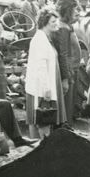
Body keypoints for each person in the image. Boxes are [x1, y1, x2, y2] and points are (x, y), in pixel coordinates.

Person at [24, 9, 68, 137]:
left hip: (46, 85)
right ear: (45, 22)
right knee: (42, 120)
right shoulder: (40, 40)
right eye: (53, 21)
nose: (57, 24)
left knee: (44, 120)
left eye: (57, 21)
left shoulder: (46, 38)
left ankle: (41, 147)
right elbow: (41, 67)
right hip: (41, 88)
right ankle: (39, 147)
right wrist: (46, 89)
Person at [52, 0, 81, 121]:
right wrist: (66, 78)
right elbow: (63, 55)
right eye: (75, 10)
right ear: (67, 11)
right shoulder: (63, 28)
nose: (77, 13)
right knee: (66, 110)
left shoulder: (67, 27)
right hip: (68, 74)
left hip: (71, 71)